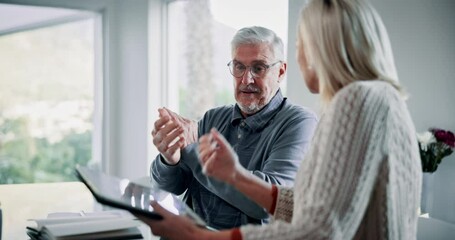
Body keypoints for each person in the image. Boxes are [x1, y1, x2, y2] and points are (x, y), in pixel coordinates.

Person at [139, 0, 423, 239]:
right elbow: (304, 207)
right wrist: (226, 173)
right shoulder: (381, 98)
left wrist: (198, 237)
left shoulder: (355, 101)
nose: (300, 54)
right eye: (239, 66)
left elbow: (319, 230)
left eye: (302, 42)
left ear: (322, 49)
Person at [150, 26, 318, 229]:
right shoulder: (213, 117)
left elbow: (270, 202)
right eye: (239, 67)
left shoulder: (299, 122)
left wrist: (192, 148)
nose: (246, 79)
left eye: (258, 68)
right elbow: (168, 188)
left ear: (281, 71)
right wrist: (170, 158)